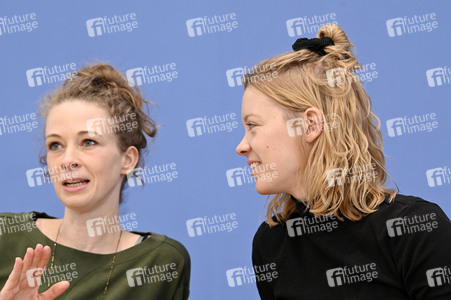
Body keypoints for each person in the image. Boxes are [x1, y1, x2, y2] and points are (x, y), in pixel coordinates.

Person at [235, 24, 451, 299]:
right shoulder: (270, 243)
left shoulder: (416, 228)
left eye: (252, 125)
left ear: (309, 124)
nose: (242, 147)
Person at [0, 64, 190, 299]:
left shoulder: (162, 263)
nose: (68, 160)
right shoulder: (5, 236)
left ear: (127, 159)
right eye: (56, 145)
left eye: (88, 142)